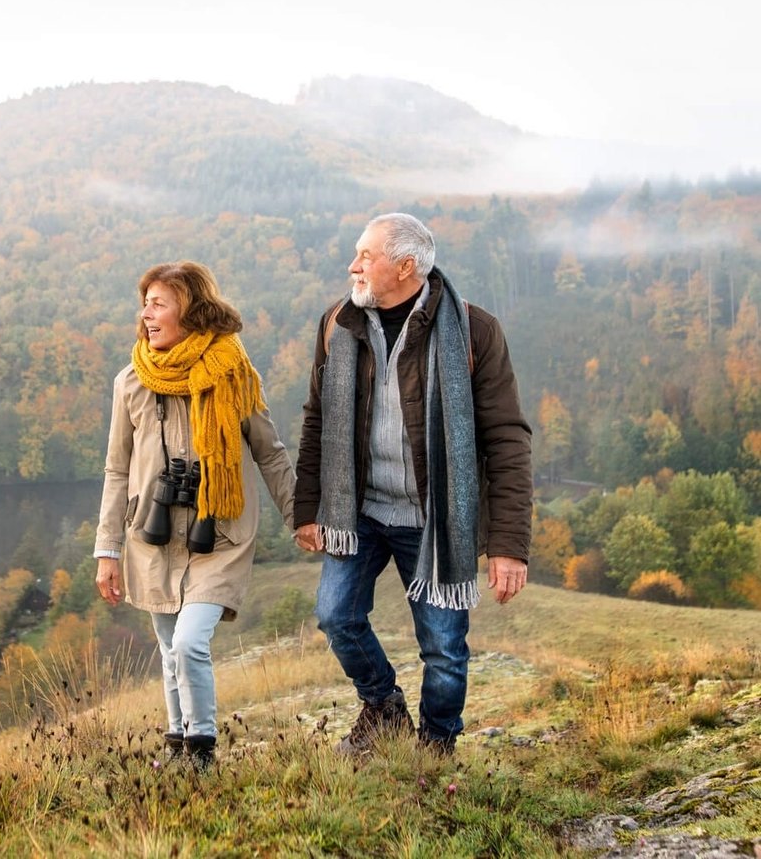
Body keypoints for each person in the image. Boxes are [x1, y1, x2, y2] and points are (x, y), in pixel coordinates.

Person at [293, 212, 532, 754]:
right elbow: (317, 419)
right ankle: (383, 706)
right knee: (336, 616)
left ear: (405, 268)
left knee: (444, 648)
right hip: (361, 511)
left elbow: (508, 440)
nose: (352, 266)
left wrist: (508, 546)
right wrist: (308, 509)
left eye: (366, 257)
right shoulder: (338, 323)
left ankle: (437, 748)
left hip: (435, 519)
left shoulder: (474, 332)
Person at [95, 261, 296, 769]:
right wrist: (107, 549)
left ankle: (201, 751)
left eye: (158, 303)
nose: (146, 315)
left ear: (190, 310)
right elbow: (116, 470)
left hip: (219, 534)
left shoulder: (233, 376)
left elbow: (269, 453)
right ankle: (177, 743)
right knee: (168, 649)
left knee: (188, 644)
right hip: (152, 535)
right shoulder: (131, 383)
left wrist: (300, 517)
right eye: (145, 304)